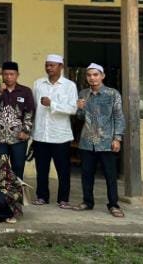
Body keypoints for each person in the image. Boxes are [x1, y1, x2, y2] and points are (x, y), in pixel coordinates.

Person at [74, 63, 125, 218]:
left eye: (95, 75)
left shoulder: (112, 94)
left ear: (102, 76)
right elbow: (80, 118)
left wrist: (117, 138)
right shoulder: (84, 93)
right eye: (89, 75)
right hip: (87, 141)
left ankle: (113, 205)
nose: (92, 78)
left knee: (110, 175)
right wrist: (79, 108)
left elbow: (118, 117)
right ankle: (87, 202)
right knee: (86, 174)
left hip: (106, 142)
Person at [32, 54, 76, 208]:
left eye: (52, 65)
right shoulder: (38, 83)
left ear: (61, 67)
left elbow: (73, 109)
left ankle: (63, 199)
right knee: (41, 170)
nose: (49, 68)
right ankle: (42, 196)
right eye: (47, 65)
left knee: (63, 170)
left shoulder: (69, 86)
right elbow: (33, 108)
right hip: (40, 135)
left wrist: (52, 104)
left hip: (60, 136)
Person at [0, 61, 35, 180]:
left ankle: (17, 190)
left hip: (19, 137)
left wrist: (26, 131)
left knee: (18, 167)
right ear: (2, 75)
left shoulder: (25, 91)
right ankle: (1, 191)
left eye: (12, 74)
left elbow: (30, 112)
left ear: (17, 75)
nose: (8, 77)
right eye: (6, 74)